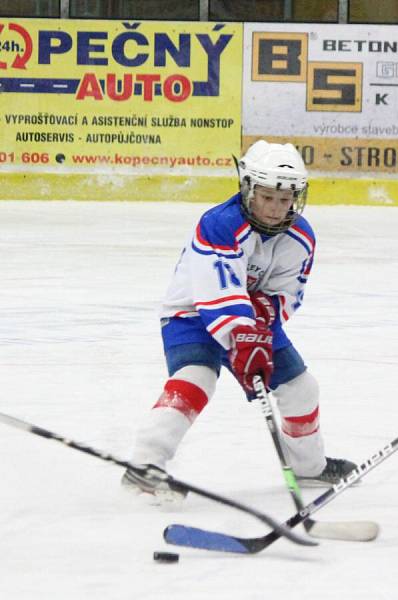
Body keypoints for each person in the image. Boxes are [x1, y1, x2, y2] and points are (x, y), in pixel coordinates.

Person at [121, 140, 356, 503]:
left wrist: (264, 316)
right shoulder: (219, 225)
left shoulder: (301, 237)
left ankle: (309, 467)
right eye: (268, 197)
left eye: (286, 199)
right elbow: (218, 296)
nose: (278, 209)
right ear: (247, 188)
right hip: (193, 314)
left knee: (301, 387)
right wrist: (245, 335)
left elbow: (287, 294)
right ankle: (145, 465)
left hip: (251, 323)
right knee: (195, 379)